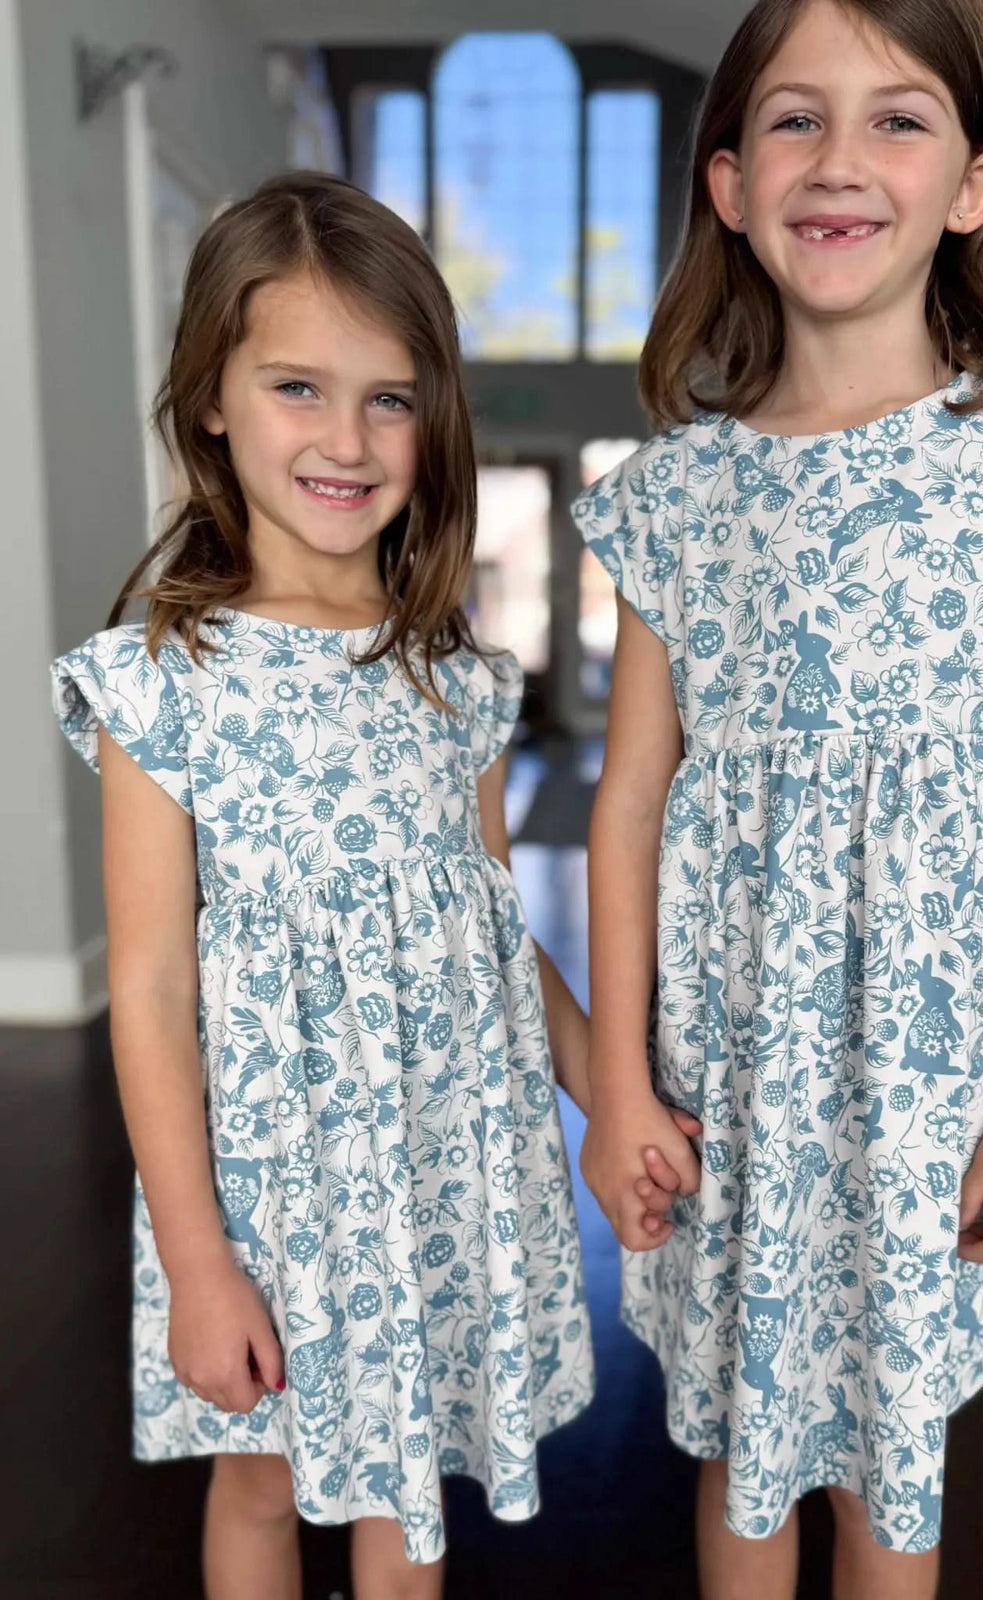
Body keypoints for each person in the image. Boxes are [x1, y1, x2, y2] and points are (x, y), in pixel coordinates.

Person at [572, 2, 983, 1596]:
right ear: (734, 185)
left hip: (928, 1067)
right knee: (748, 1453)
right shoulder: (676, 492)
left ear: (973, 184)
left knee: (895, 1460)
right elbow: (625, 803)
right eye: (797, 120)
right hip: (733, 1058)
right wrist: (614, 1082)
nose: (841, 159)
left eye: (898, 120)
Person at [52, 172, 593, 1600]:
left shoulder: (456, 678)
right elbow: (157, 990)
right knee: (264, 1469)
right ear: (214, 399)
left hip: (435, 1154)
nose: (347, 439)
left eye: (390, 398)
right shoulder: (160, 685)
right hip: (266, 1186)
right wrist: (196, 1254)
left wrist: (609, 1093)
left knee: (409, 1477)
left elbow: (486, 920)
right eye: (299, 385)